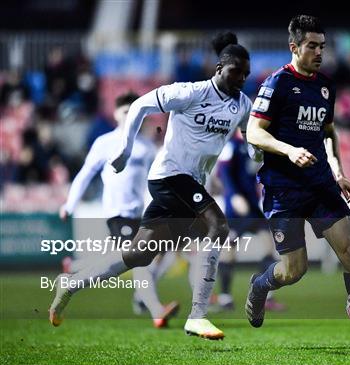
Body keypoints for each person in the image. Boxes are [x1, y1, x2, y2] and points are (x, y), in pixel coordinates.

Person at [49, 32, 253, 340]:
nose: (241, 78)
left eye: (246, 74)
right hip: (170, 176)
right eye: (235, 71)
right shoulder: (190, 92)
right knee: (219, 226)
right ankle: (198, 315)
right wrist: (127, 148)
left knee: (138, 256)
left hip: (188, 185)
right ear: (219, 69)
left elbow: (250, 137)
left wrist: (259, 155)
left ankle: (71, 284)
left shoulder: (243, 104)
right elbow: (141, 105)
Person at [245, 15, 350, 355]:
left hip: (320, 185)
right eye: (312, 46)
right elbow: (254, 132)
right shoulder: (276, 84)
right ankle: (260, 284)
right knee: (294, 271)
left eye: (322, 46)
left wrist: (339, 172)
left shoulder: (326, 86)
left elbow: (328, 132)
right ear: (294, 47)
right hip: (283, 188)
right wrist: (289, 150)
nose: (318, 52)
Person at [58, 92, 179, 328]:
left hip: (143, 214)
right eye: (125, 111)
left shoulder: (146, 147)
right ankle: (156, 311)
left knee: (151, 257)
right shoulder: (105, 143)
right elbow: (85, 174)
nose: (129, 116)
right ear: (115, 114)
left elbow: (152, 181)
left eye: (134, 111)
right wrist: (69, 204)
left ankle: (74, 269)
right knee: (138, 261)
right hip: (117, 213)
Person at [212, 132, 285, 312]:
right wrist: (234, 196)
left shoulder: (258, 145)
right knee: (229, 251)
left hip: (252, 207)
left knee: (269, 246)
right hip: (235, 208)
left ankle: (267, 296)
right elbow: (224, 173)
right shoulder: (233, 146)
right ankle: (225, 298)